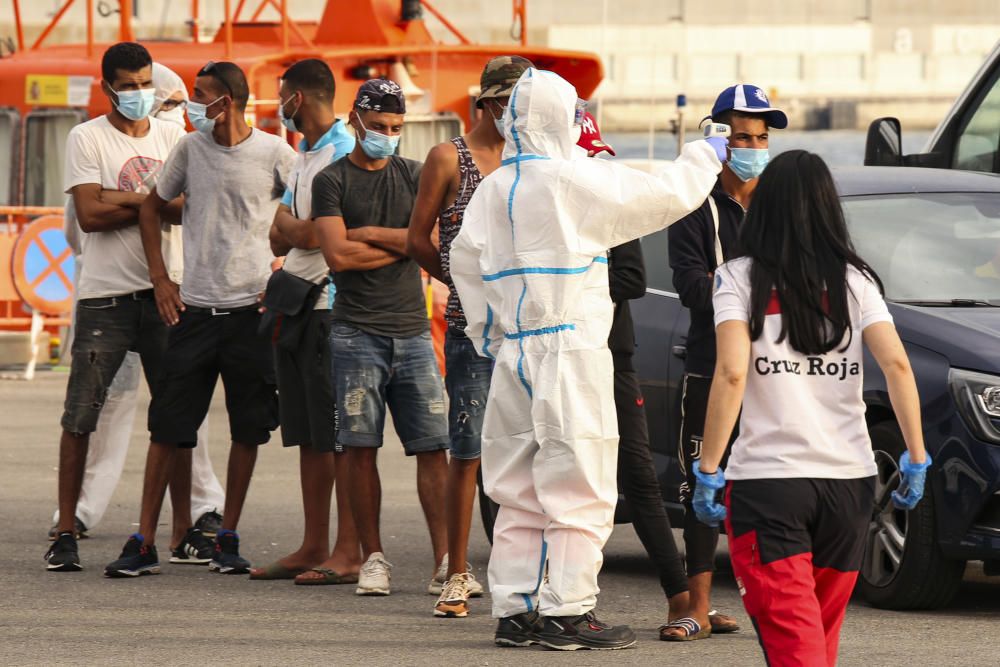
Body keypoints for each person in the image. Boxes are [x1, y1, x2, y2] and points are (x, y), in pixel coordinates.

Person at [450, 68, 724, 650]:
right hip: (570, 347)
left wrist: (489, 333)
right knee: (580, 481)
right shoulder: (573, 178)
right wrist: (705, 155)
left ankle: (517, 609)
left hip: (513, 354)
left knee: (517, 485)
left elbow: (463, 261)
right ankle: (567, 612)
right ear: (562, 116)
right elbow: (660, 196)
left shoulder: (494, 188)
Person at [693, 150, 930, 666]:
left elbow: (733, 373)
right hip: (849, 486)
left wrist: (709, 469)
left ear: (766, 206)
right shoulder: (856, 280)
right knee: (816, 641)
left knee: (795, 647)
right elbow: (898, 367)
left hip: (769, 486)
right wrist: (915, 454)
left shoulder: (737, 278)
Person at [104, 60, 295, 578]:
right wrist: (161, 279)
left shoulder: (277, 154)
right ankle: (143, 539)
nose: (190, 102)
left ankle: (228, 535)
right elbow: (151, 207)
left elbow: (310, 221)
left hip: (250, 316)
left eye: (199, 94)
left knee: (248, 430)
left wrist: (281, 281)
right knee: (167, 427)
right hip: (195, 310)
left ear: (226, 102)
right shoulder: (190, 148)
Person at [48, 63, 227, 546]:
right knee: (90, 413)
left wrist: (120, 198)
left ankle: (184, 524)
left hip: (169, 293)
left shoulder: (176, 141)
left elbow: (184, 210)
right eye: (129, 87)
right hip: (105, 298)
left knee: (178, 415)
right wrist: (147, 200)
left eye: (151, 90)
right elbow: (85, 217)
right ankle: (72, 520)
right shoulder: (87, 138)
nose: (143, 98)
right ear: (108, 88)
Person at [407, 54, 532, 618]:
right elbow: (417, 238)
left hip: (527, 330)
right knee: (468, 450)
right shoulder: (449, 157)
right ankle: (457, 572)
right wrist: (462, 284)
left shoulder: (534, 159)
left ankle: (527, 571)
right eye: (510, 103)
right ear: (488, 102)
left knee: (530, 453)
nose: (517, 114)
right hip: (471, 331)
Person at [314, 79, 450, 597]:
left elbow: (434, 241)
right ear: (356, 121)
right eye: (378, 127)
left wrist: (367, 232)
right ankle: (372, 557)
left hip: (413, 332)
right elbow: (337, 258)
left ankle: (445, 560)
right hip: (354, 333)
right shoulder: (331, 181)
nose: (388, 136)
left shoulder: (415, 175)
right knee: (357, 448)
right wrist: (406, 244)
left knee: (433, 449)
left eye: (396, 128)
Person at [666, 83, 787, 638]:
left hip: (775, 366)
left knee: (766, 485)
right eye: (743, 137)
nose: (754, 147)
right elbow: (690, 285)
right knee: (702, 483)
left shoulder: (779, 205)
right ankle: (696, 603)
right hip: (711, 365)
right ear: (719, 139)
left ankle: (765, 595)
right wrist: (751, 286)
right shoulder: (694, 202)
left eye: (762, 137)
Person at [577, 113, 693, 639]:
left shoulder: (608, 203)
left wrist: (569, 279)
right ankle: (561, 600)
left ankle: (680, 595)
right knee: (562, 477)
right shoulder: (537, 195)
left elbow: (632, 278)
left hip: (611, 355)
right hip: (556, 357)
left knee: (639, 476)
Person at [249, 58, 362, 584]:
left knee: (336, 436)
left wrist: (291, 224)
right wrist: (292, 225)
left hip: (330, 307)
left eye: (282, 96)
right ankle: (313, 542)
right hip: (297, 305)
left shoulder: (341, 152)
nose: (280, 105)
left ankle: (348, 549)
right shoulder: (304, 154)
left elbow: (311, 235)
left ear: (301, 97)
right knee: (308, 434)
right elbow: (280, 235)